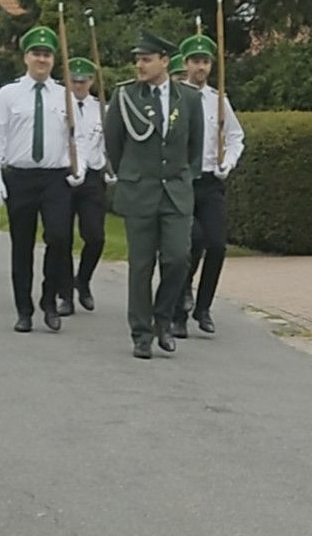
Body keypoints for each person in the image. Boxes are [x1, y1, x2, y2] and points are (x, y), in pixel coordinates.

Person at [104, 31, 203, 359]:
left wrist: (183, 178)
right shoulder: (126, 96)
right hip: (139, 191)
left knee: (178, 259)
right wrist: (132, 175)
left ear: (165, 61)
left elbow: (195, 148)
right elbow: (114, 145)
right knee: (141, 265)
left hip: (175, 192)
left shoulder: (187, 98)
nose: (139, 65)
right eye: (137, 59)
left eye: (146, 59)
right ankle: (141, 333)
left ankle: (163, 318)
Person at [0, 25, 85, 334]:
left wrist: (80, 167)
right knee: (22, 245)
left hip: (55, 179)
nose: (42, 59)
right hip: (21, 177)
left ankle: (49, 300)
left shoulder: (64, 95)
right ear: (25, 57)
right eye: (36, 54)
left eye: (47, 54)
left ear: (54, 60)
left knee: (59, 238)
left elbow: (78, 137)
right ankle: (23, 309)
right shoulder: (9, 94)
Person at [172, 33, 244, 338]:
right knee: (191, 241)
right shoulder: (174, 98)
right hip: (183, 182)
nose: (201, 67)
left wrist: (229, 162)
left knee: (216, 244)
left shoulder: (219, 100)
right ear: (186, 64)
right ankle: (177, 310)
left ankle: (203, 307)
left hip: (210, 181)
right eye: (196, 62)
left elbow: (235, 137)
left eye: (206, 62)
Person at [57, 57, 115, 316]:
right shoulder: (58, 105)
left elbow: (112, 142)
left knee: (95, 236)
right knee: (62, 238)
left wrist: (111, 167)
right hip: (64, 174)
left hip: (92, 177)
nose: (79, 85)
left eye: (84, 81)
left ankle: (84, 279)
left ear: (91, 81)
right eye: (75, 81)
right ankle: (65, 294)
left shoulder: (103, 108)